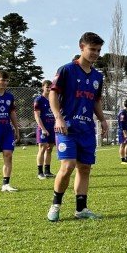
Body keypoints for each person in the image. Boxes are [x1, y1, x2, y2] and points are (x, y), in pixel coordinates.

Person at [46, 32, 109, 222]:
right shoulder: (66, 70)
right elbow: (53, 95)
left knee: (85, 168)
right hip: (67, 127)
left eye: (98, 50)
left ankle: (81, 209)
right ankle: (55, 205)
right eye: (92, 49)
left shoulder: (98, 76)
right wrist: (58, 118)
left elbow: (96, 100)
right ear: (81, 47)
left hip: (86, 128)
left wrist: (102, 119)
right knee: (68, 165)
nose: (95, 54)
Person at [33, 80, 56, 179]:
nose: (49, 89)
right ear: (43, 87)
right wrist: (43, 129)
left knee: (49, 149)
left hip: (52, 128)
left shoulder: (54, 99)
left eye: (51, 87)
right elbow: (37, 116)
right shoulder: (39, 100)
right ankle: (40, 172)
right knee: (42, 149)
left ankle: (47, 171)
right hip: (43, 128)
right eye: (47, 87)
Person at [117, 99, 127, 164]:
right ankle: (123, 160)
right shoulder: (122, 113)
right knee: (122, 145)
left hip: (126, 130)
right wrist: (125, 133)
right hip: (122, 131)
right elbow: (122, 123)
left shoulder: (125, 112)